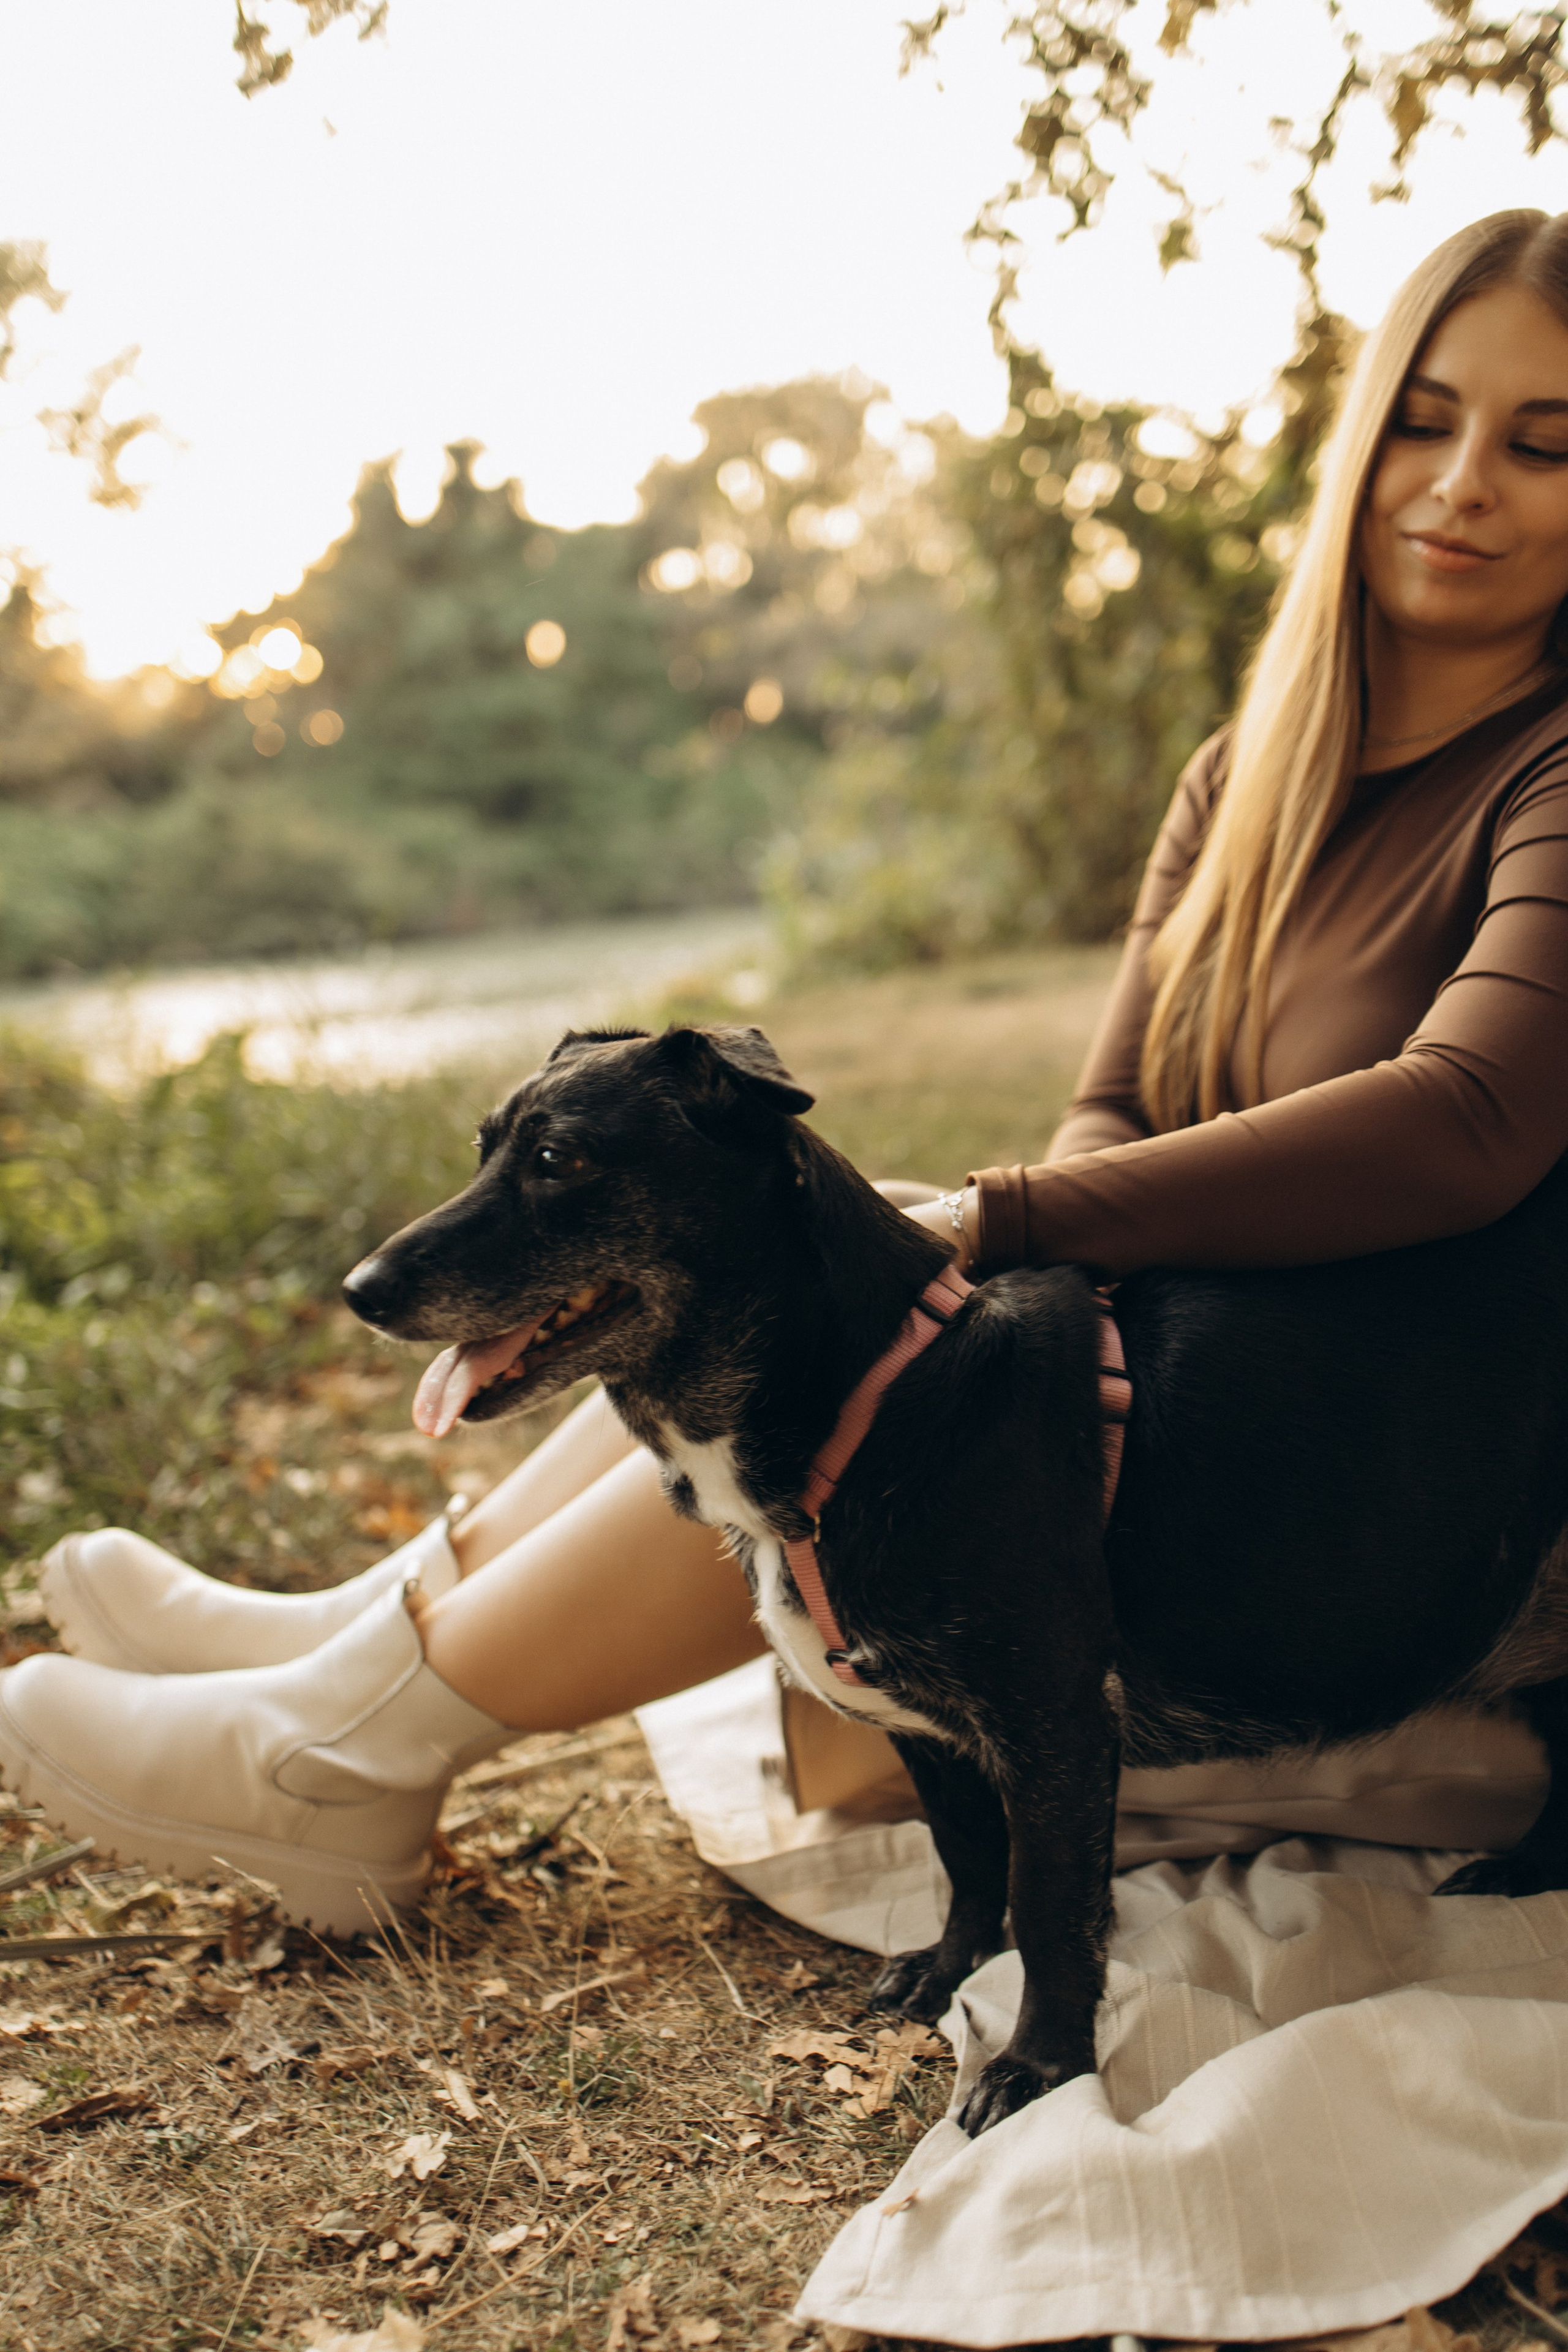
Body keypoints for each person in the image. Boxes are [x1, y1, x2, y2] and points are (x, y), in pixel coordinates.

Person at [7, 205, 1568, 1931]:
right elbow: (1119, 1104)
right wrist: (1021, 1284)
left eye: (1543, 443)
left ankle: (345, 1752)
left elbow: (1472, 1125)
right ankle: (371, 1641)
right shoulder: (1244, 775)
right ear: (1366, 439)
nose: (1464, 482)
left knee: (868, 1362)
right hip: (1202, 1383)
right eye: (1426, 420)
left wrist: (1011, 1224)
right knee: (801, 1264)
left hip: (1404, 1483)